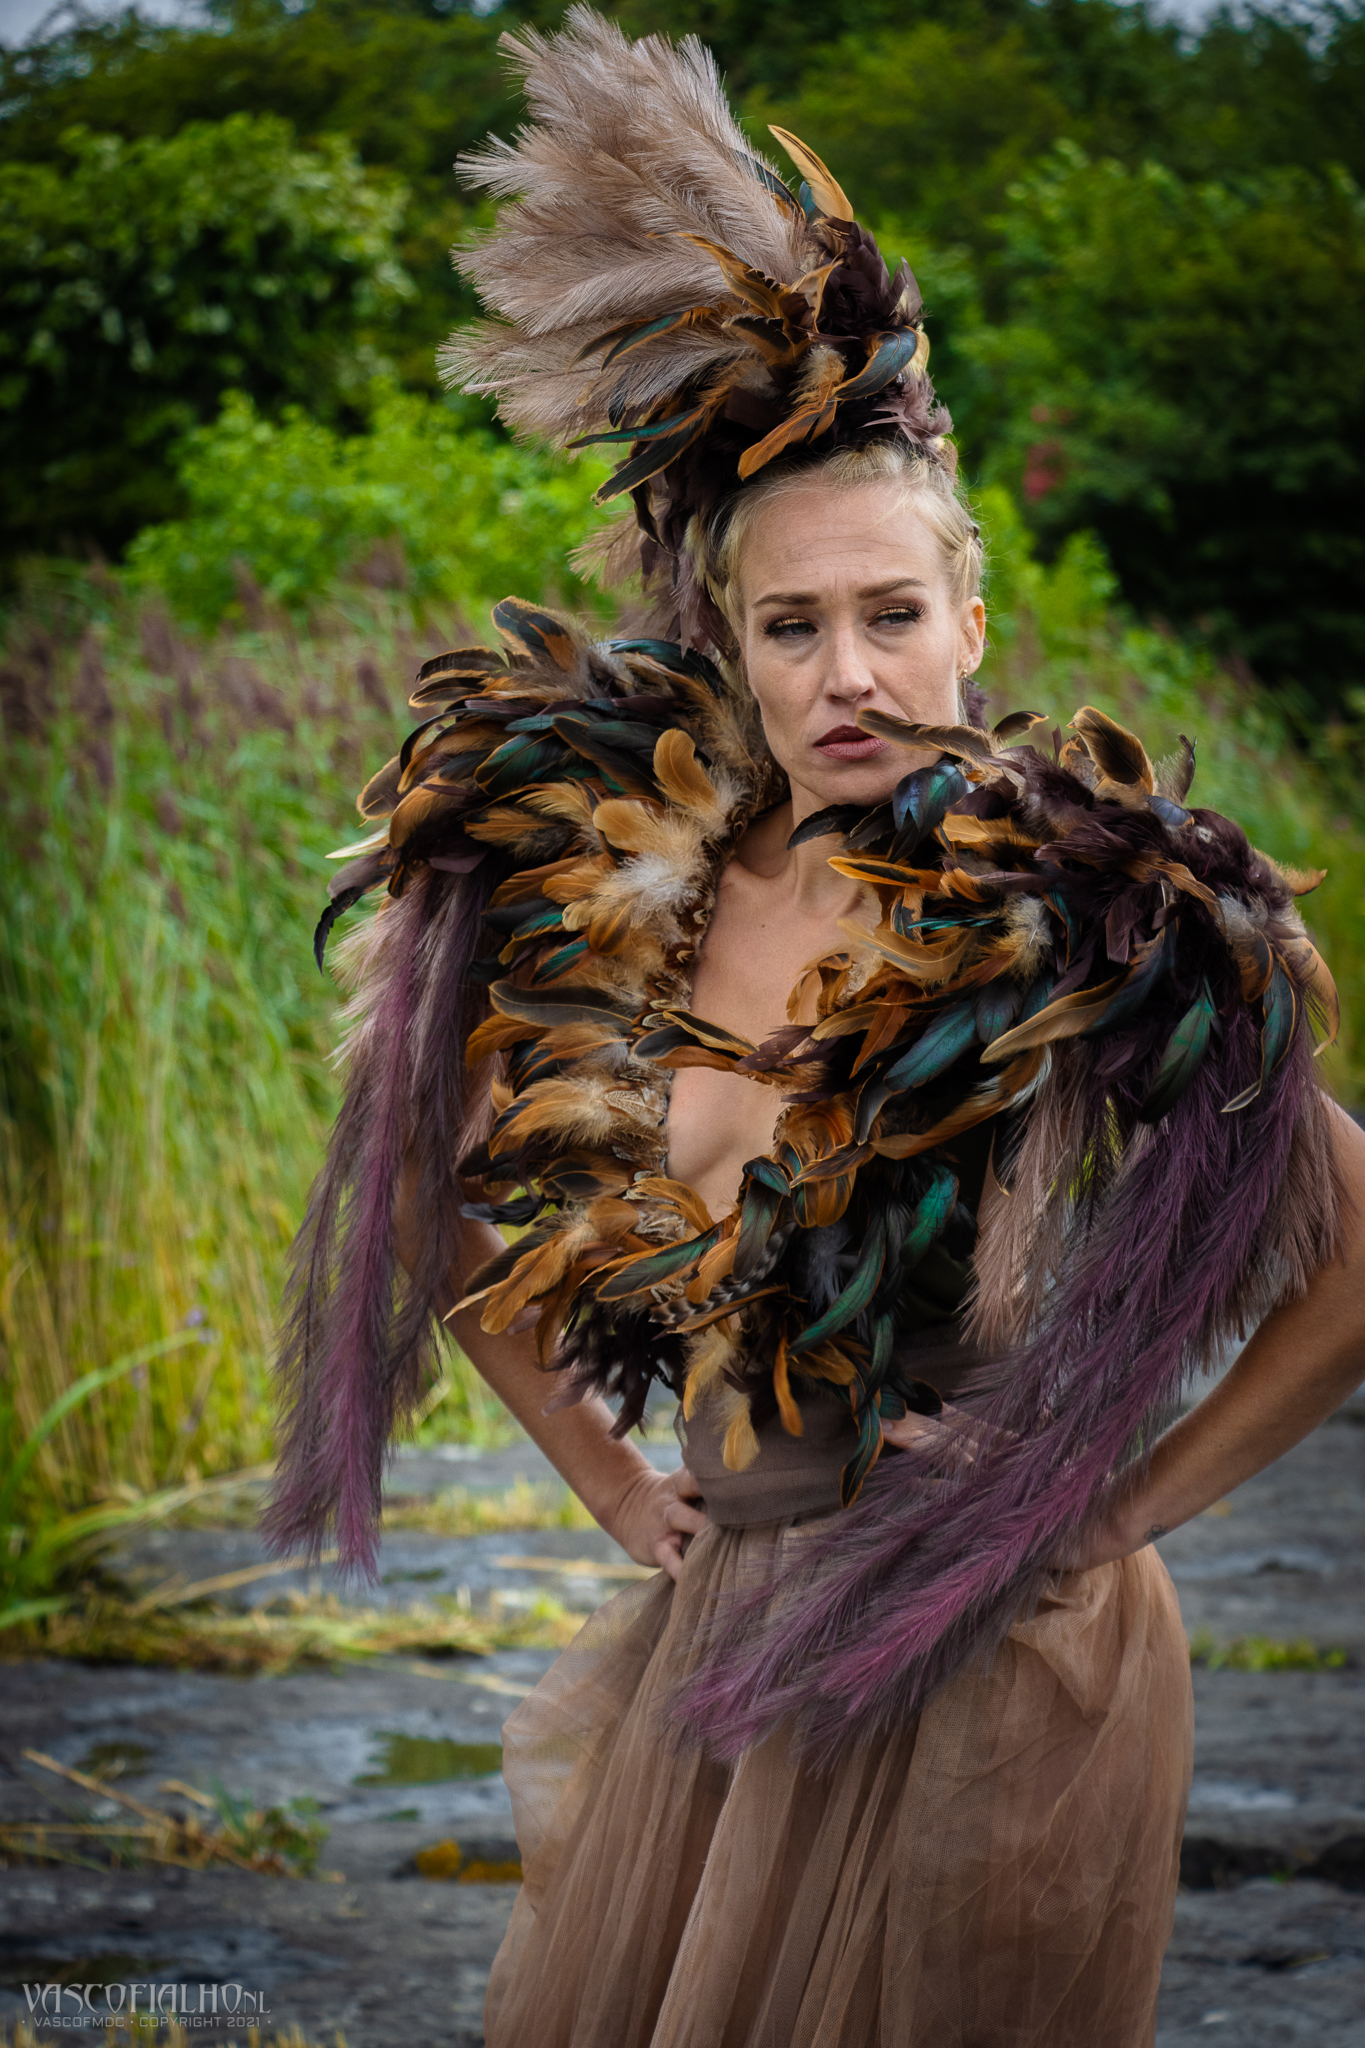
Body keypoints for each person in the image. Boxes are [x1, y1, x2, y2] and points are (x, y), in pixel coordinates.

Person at [266, 12, 1365, 2043]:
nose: (848, 672)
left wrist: (1110, 1502)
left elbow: (1354, 1256)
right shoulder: (629, 902)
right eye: (793, 625)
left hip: (991, 1659)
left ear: (971, 626)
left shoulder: (1092, 923)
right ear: (732, 648)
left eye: (889, 614)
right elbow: (438, 1202)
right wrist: (609, 1482)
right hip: (727, 1630)